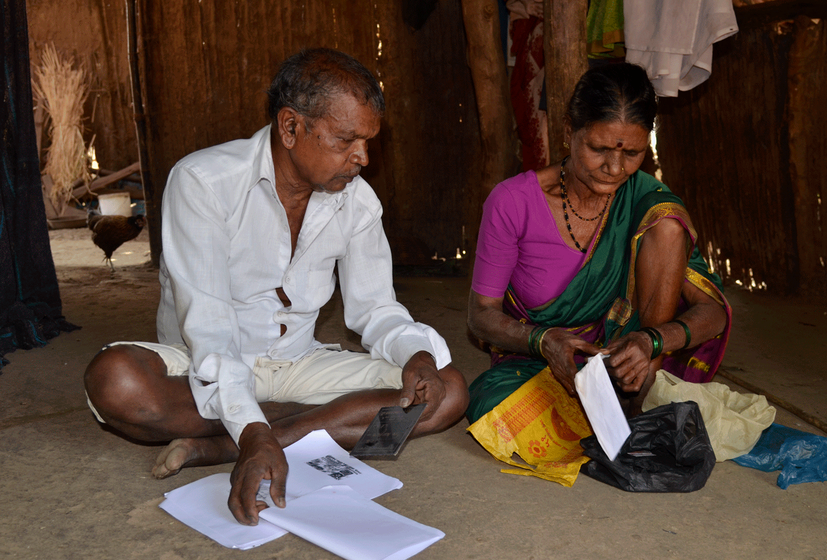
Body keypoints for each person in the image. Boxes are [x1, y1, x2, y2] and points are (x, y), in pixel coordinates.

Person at [84, 48, 469, 526]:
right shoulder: (203, 181)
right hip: (204, 366)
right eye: (347, 140)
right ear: (291, 128)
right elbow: (208, 329)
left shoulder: (358, 201)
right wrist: (252, 428)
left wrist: (416, 355)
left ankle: (223, 445)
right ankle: (283, 427)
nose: (362, 158)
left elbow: (375, 310)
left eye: (368, 141)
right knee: (116, 381)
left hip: (298, 365)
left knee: (446, 391)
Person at [466, 62, 730, 425]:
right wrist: (543, 341)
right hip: (537, 357)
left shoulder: (647, 204)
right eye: (599, 148)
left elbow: (713, 314)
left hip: (628, 364)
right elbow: (480, 315)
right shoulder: (513, 201)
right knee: (500, 412)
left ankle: (641, 392)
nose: (615, 167)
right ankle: (622, 419)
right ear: (568, 132)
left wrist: (649, 342)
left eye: (632, 153)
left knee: (667, 225)